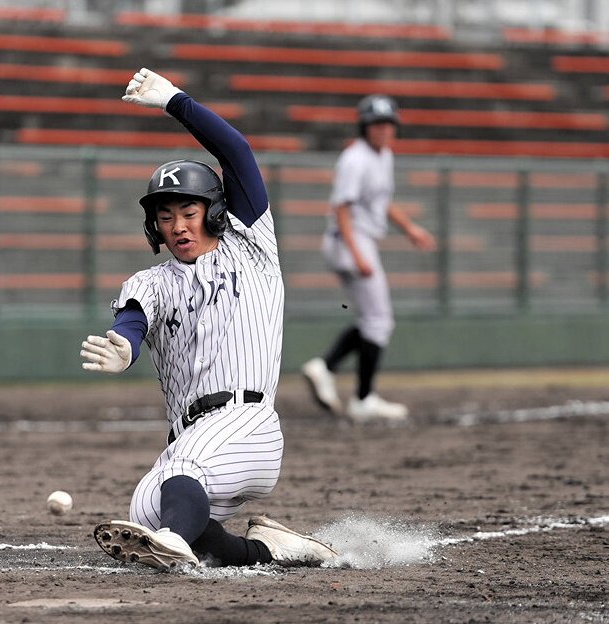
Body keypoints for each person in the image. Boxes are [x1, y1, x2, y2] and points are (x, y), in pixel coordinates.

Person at [80, 69, 338, 571]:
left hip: (248, 423)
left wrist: (175, 101)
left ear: (215, 212)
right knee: (146, 510)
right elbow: (132, 322)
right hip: (190, 432)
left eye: (188, 210)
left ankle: (175, 537)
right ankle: (270, 550)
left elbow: (237, 153)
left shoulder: (251, 247)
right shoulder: (148, 283)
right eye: (165, 215)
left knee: (179, 483)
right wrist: (124, 348)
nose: (177, 225)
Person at [301, 95, 435, 422]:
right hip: (349, 240)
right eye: (377, 124)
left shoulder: (383, 156)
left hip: (358, 240)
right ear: (365, 127)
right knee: (379, 321)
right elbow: (342, 209)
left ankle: (330, 371)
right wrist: (358, 254)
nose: (384, 130)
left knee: (372, 320)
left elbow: (381, 201)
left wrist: (409, 229)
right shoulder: (355, 160)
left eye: (388, 124)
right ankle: (358, 395)